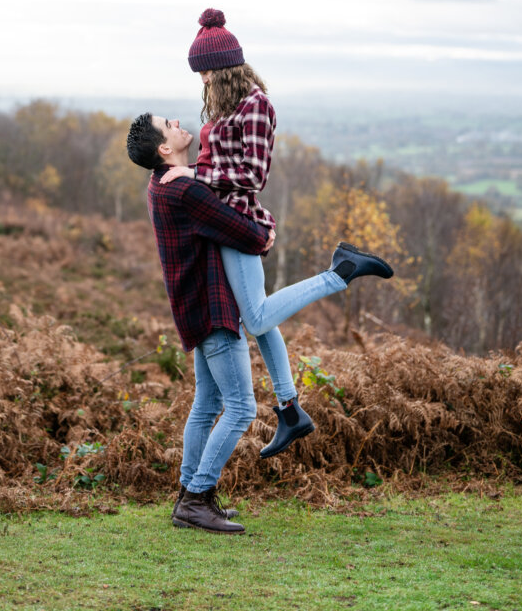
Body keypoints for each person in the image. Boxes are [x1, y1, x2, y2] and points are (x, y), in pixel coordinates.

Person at [126, 111, 392, 534]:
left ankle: (190, 496)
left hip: (194, 307)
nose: (177, 122)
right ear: (164, 148)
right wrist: (264, 231)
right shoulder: (185, 193)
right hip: (213, 310)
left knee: (207, 406)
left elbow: (210, 192)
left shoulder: (164, 184)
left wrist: (197, 175)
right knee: (240, 407)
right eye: (168, 123)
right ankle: (196, 499)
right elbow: (244, 232)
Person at [157, 8, 394, 457]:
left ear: (224, 67)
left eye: (206, 71)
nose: (202, 80)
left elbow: (253, 173)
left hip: (240, 225)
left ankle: (340, 271)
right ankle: (289, 411)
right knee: (260, 317)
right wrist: (194, 177)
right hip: (222, 224)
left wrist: (195, 176)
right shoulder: (226, 105)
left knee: (258, 318)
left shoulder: (257, 105)